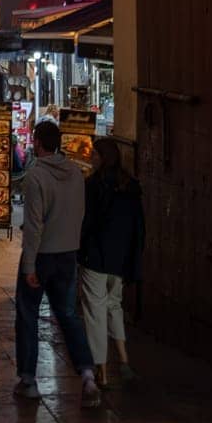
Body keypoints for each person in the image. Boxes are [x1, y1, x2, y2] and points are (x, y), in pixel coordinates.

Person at [14, 120, 101, 409]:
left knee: (28, 314)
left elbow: (34, 225)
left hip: (42, 255)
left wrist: (29, 266)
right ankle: (87, 374)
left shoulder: (36, 176)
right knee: (67, 314)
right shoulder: (76, 173)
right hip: (68, 254)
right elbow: (81, 212)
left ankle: (28, 380)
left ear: (38, 143)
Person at [78, 137, 145, 388]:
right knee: (114, 306)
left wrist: (79, 249)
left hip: (95, 257)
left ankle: (102, 371)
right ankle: (124, 361)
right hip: (120, 260)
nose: (90, 158)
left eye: (94, 154)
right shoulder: (130, 187)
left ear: (102, 157)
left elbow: (86, 223)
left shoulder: (94, 186)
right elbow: (138, 227)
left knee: (95, 312)